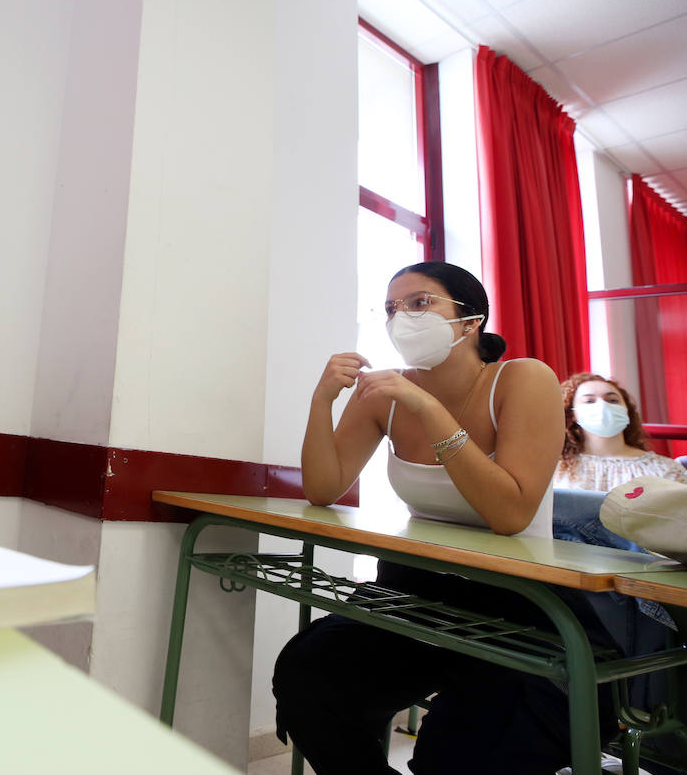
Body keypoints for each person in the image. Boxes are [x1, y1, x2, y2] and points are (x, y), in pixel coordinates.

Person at [274, 261, 613, 775]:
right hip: (413, 589)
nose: (401, 317)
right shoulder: (384, 395)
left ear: (470, 319)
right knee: (309, 675)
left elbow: (509, 513)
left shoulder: (523, 378)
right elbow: (324, 488)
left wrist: (428, 409)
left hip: (516, 600)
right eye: (391, 308)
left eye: (420, 302)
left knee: (454, 757)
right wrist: (322, 401)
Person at [554, 372, 687, 491]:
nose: (603, 406)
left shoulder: (665, 470)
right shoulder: (555, 470)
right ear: (571, 414)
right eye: (589, 401)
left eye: (612, 400)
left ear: (627, 410)